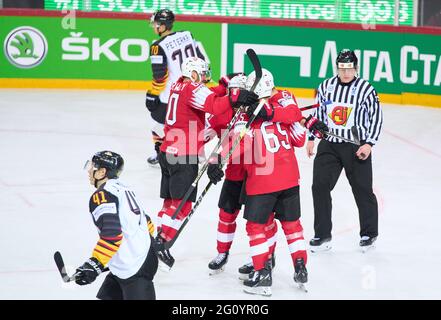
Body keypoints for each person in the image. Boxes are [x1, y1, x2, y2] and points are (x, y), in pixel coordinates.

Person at [207, 69, 327, 296]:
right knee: (293, 226)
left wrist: (216, 161)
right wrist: (300, 121)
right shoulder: (280, 111)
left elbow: (236, 146)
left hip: (262, 182)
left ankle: (263, 274)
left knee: (256, 227)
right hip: (290, 179)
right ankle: (300, 266)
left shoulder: (250, 122)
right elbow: (299, 139)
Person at [153, 57, 259, 269]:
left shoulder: (178, 85)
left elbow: (210, 97)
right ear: (193, 74)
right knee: (182, 206)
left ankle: (159, 238)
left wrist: (225, 85)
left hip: (167, 151)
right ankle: (160, 245)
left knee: (169, 203)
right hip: (183, 155)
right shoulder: (193, 88)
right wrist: (234, 96)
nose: (204, 78)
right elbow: (214, 105)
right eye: (201, 74)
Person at [306, 49, 383, 252]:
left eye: (349, 68)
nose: (346, 72)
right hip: (330, 143)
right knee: (319, 186)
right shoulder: (326, 86)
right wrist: (312, 138)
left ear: (356, 68)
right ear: (337, 68)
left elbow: (376, 117)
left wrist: (369, 144)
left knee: (362, 189)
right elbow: (318, 114)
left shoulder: (366, 89)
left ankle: (369, 233)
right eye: (342, 68)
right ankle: (322, 235)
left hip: (356, 145)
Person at [75, 151, 158, 300]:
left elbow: (112, 235)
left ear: (102, 172)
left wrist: (96, 263)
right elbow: (146, 222)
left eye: (93, 166)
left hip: (134, 267)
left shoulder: (102, 195)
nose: (89, 170)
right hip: (129, 262)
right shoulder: (124, 189)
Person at [145, 9, 206, 166]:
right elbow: (201, 58)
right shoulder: (187, 34)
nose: (154, 27)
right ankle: (196, 152)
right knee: (191, 122)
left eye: (156, 24)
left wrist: (152, 94)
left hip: (173, 94)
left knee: (157, 124)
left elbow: (160, 77)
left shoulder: (157, 46)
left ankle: (161, 153)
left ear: (163, 25)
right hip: (194, 90)